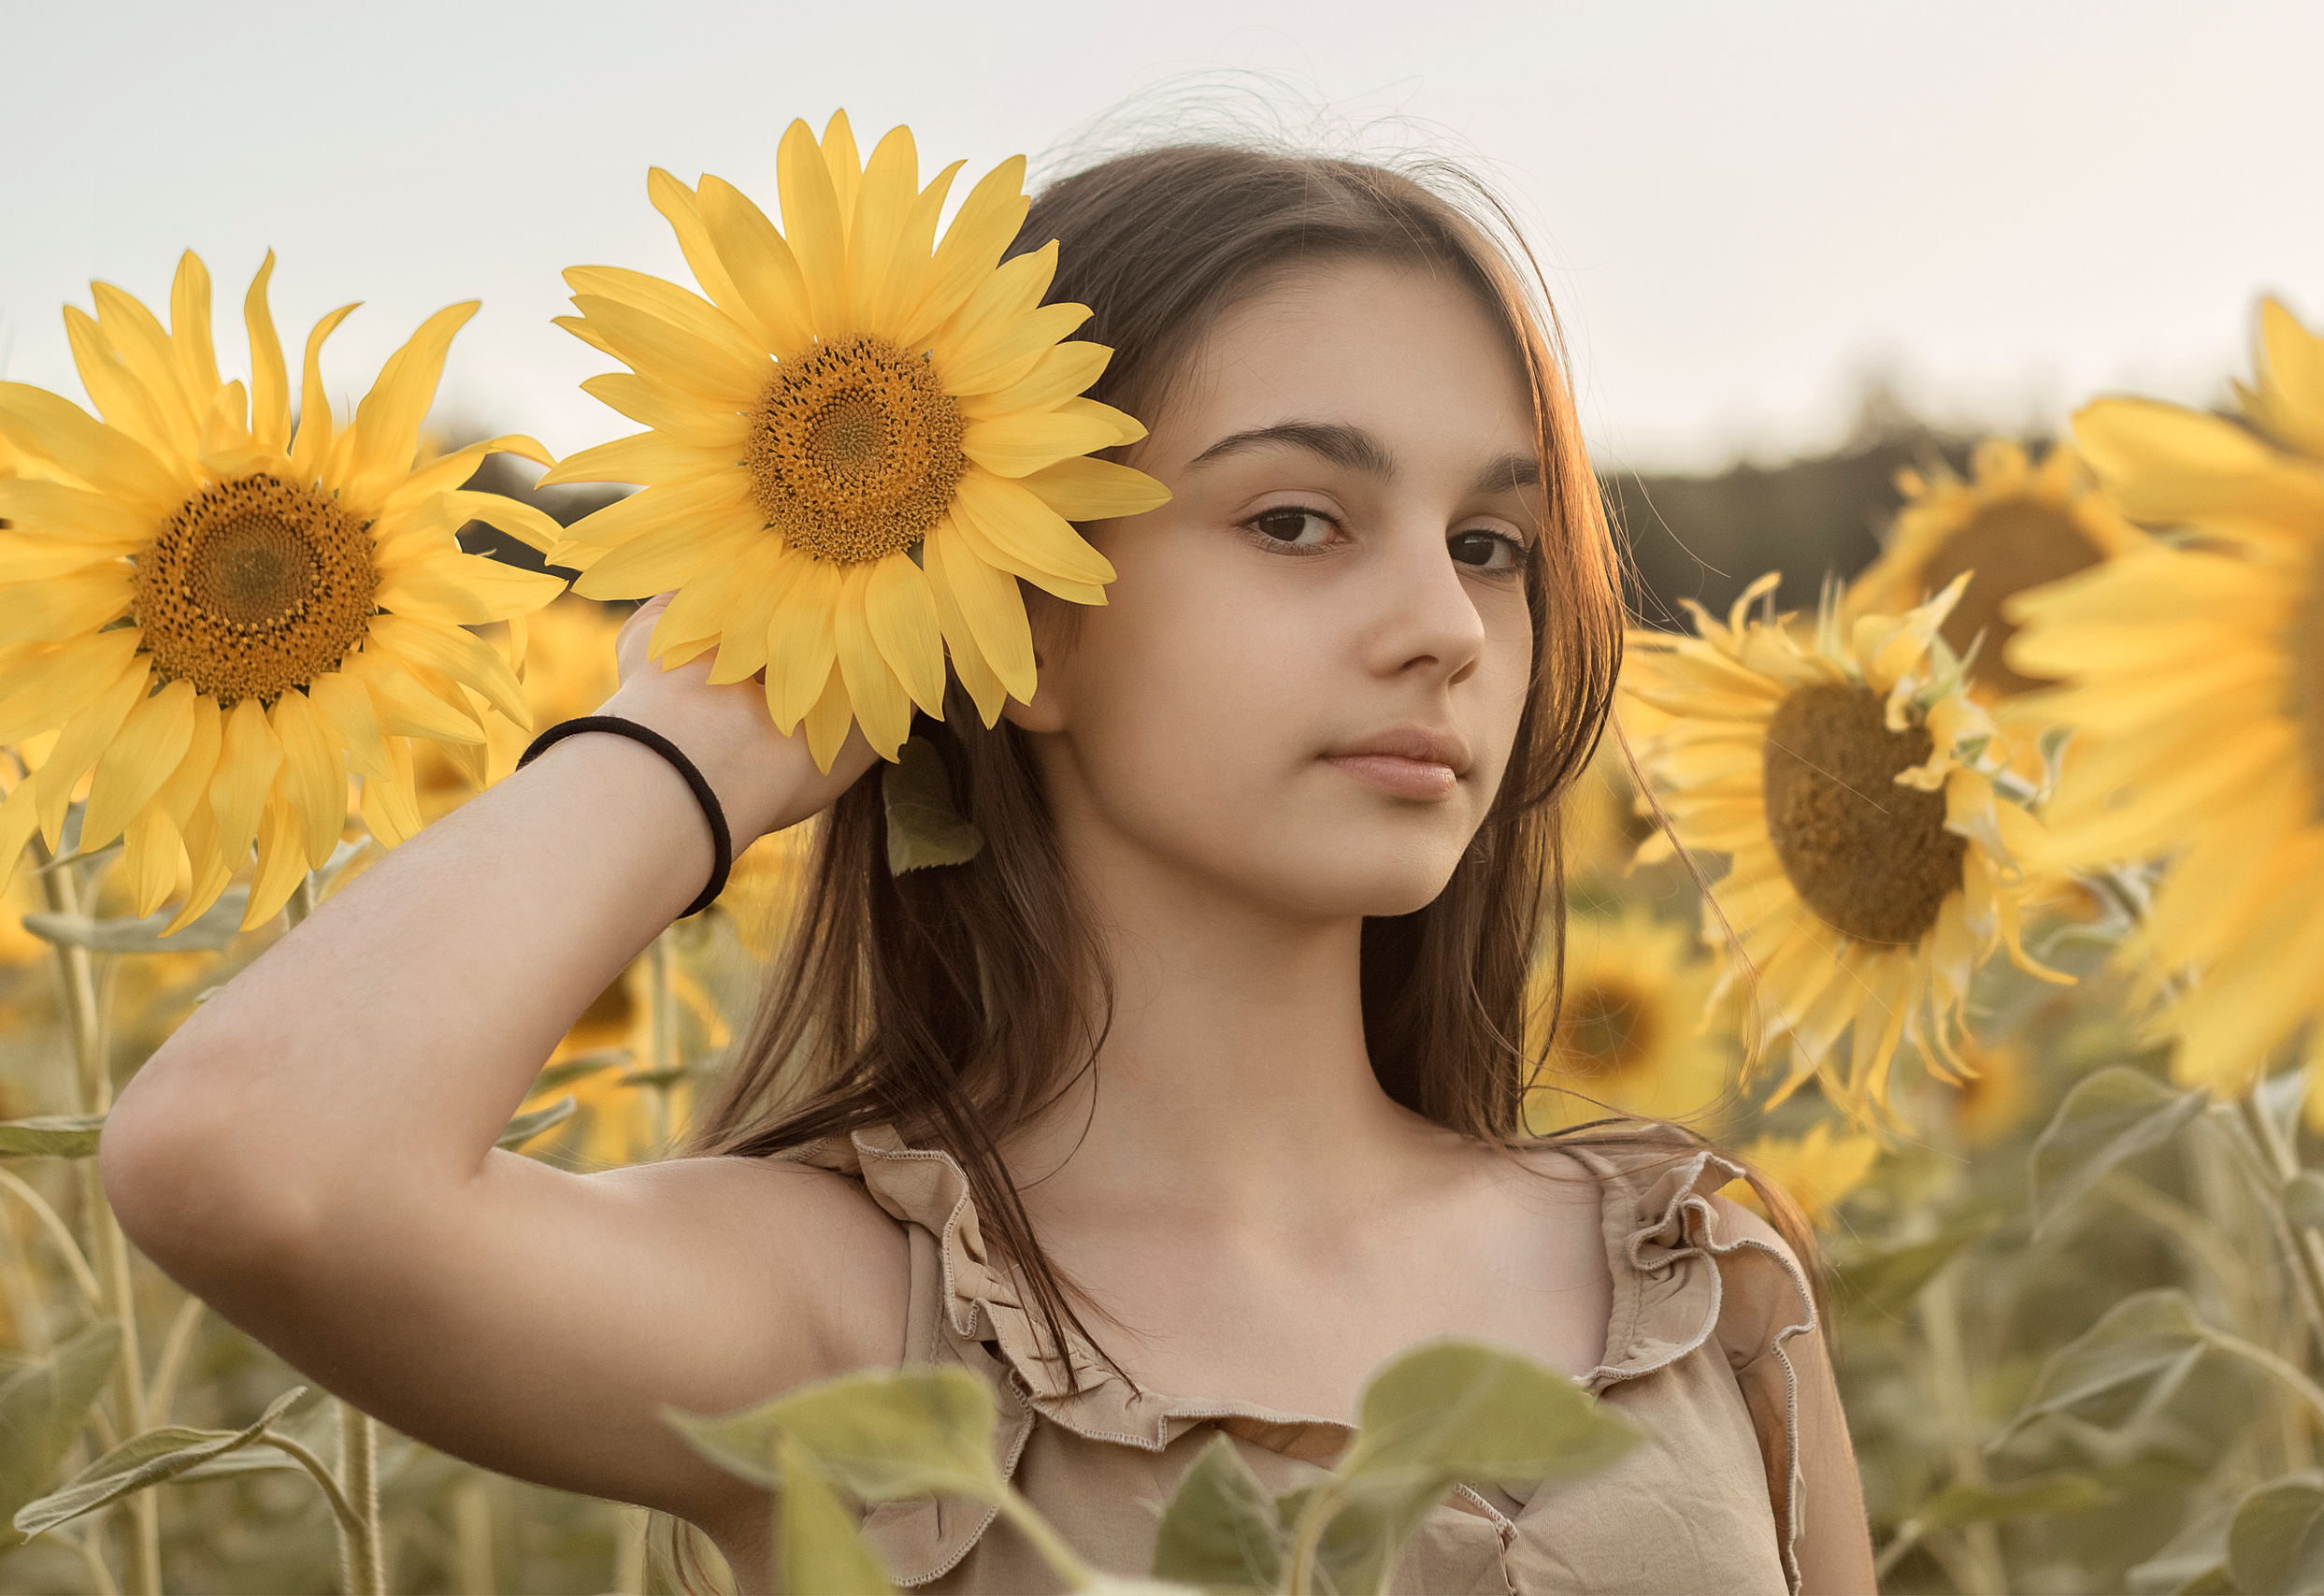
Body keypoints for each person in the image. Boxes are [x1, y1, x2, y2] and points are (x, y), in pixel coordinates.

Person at [99, 141, 1876, 1595]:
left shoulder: (1692, 1271)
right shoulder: (843, 1320)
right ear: (1015, 601)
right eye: (1292, 521)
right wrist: (724, 713)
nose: (1444, 629)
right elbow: (251, 1163)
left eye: (1491, 543)